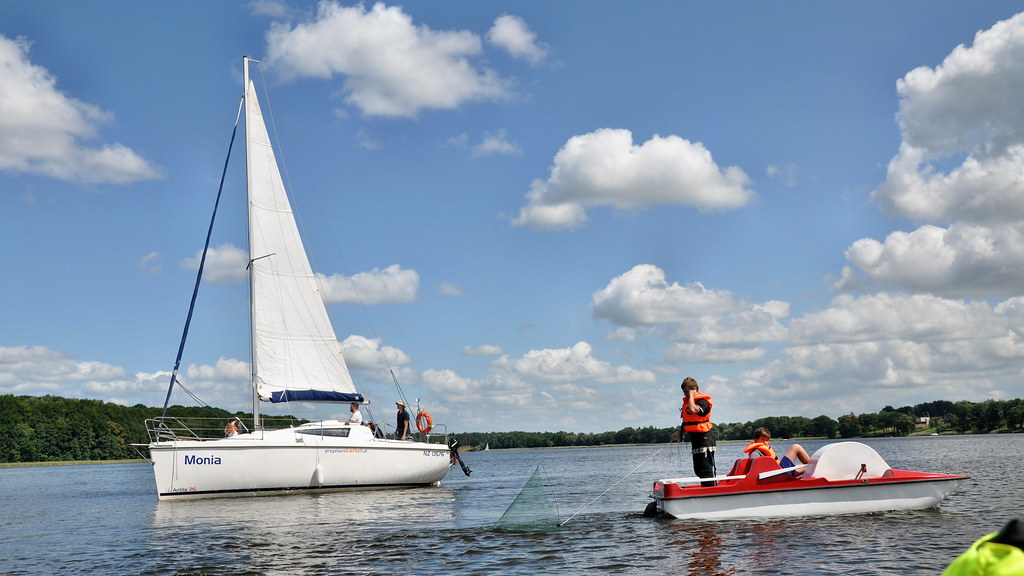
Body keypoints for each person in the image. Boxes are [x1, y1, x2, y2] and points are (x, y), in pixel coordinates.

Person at [669, 377, 716, 486]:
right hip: (695, 439)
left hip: (705, 439)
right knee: (698, 470)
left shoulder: (703, 402)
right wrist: (680, 433)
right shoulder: (689, 402)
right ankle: (705, 490)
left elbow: (693, 410)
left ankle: (710, 491)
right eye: (684, 392)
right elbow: (688, 422)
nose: (685, 395)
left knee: (705, 470)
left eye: (686, 392)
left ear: (694, 389)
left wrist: (691, 396)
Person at [743, 427, 810, 475]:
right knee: (796, 447)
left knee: (807, 466)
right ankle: (814, 466)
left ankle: (815, 471)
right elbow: (755, 470)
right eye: (763, 439)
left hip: (779, 472)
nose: (765, 442)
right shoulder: (755, 452)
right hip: (778, 473)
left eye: (767, 440)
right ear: (756, 440)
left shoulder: (762, 449)